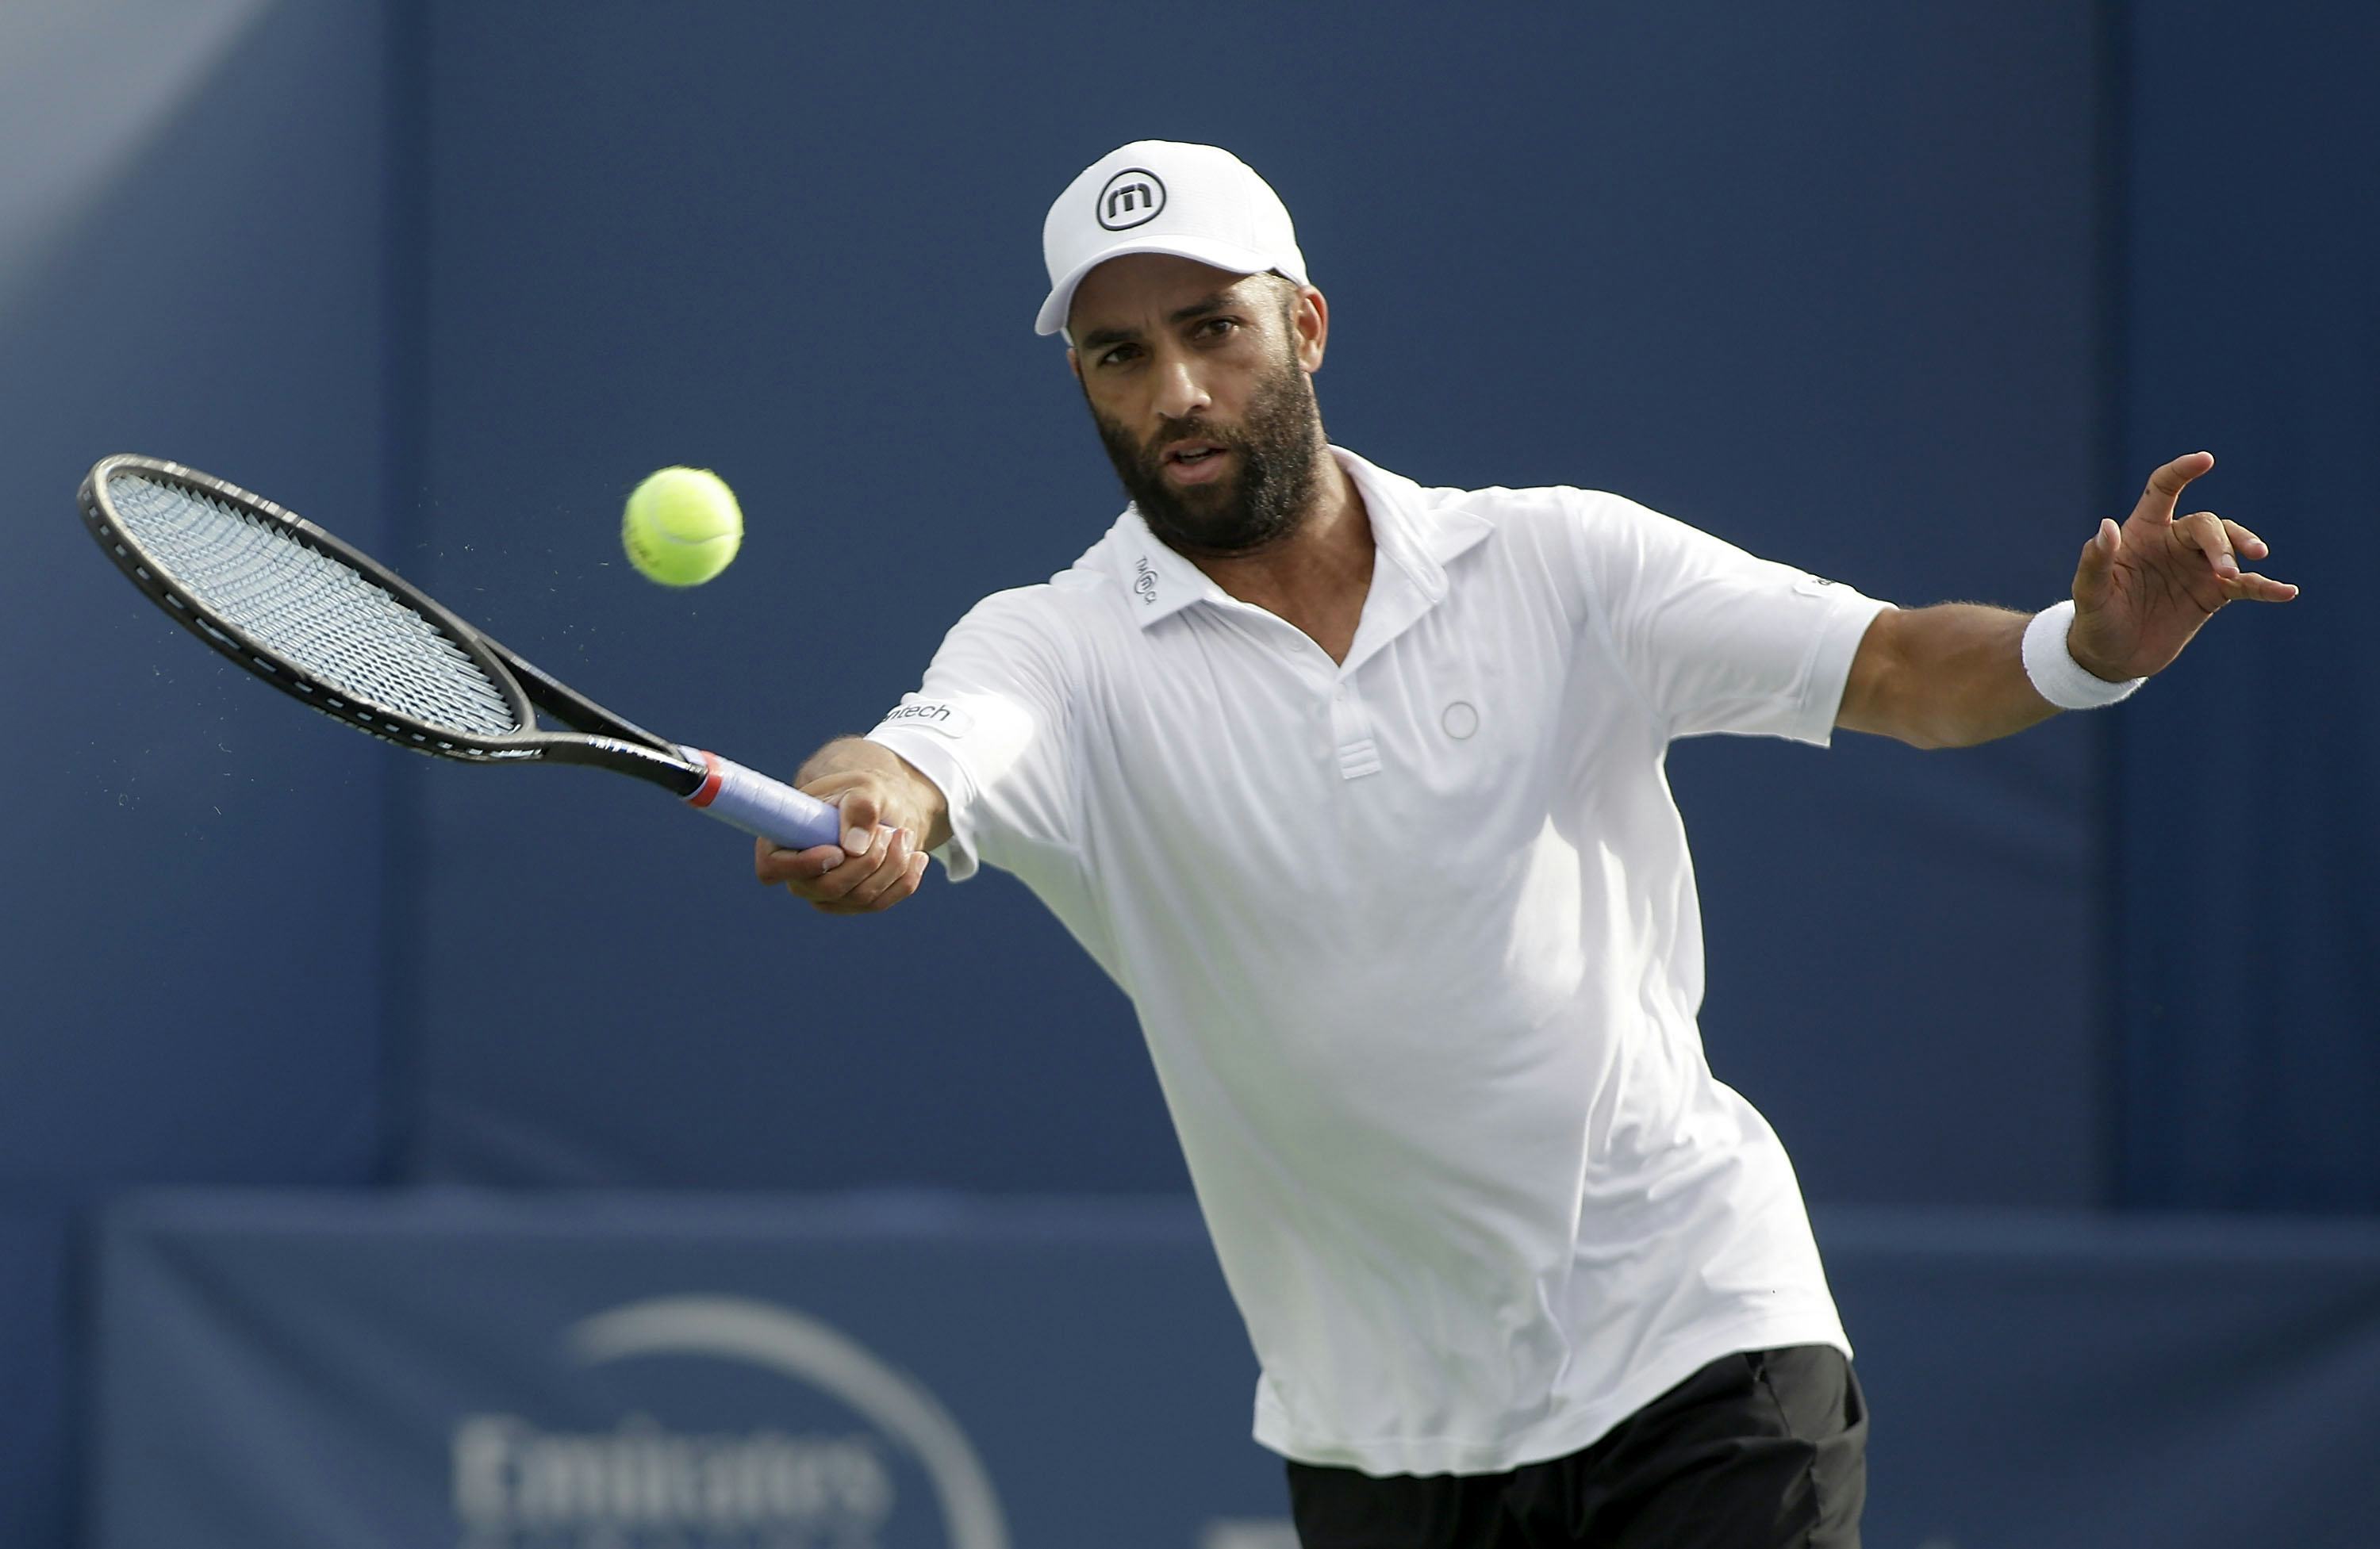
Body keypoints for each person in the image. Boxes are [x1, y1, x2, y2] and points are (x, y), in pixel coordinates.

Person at [752, 141, 2296, 1548]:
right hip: (1378, 1429)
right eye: (1120, 355)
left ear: (1306, 326)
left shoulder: (1558, 560)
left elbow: (1891, 666)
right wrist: (873, 803)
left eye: (1214, 328)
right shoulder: (1054, 645)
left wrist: (2080, 651)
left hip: (1697, 1337)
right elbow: (918, 755)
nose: (1176, 392)